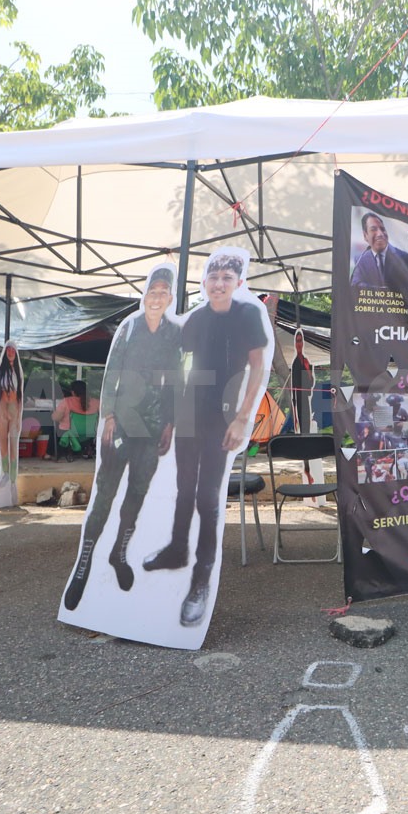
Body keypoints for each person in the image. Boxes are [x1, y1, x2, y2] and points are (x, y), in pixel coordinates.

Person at [142, 249, 270, 628]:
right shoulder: (196, 319)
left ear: (238, 282)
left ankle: (201, 579)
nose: (219, 284)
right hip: (188, 413)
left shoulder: (247, 315)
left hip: (222, 415)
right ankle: (177, 549)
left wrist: (242, 418)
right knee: (183, 489)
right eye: (213, 278)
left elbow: (258, 367)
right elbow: (181, 370)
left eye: (226, 278)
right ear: (205, 282)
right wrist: (169, 420)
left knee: (207, 496)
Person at [63, 265, 182, 612]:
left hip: (153, 427)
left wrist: (170, 423)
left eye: (163, 292)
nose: (157, 298)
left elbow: (175, 380)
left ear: (170, 297)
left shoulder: (174, 333)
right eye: (152, 292)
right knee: (106, 492)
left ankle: (119, 552)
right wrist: (110, 416)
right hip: (123, 424)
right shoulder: (129, 328)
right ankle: (84, 562)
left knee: (137, 492)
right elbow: (112, 372)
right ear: (145, 296)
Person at [0, 342, 24, 505]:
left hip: (14, 406)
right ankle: (5, 472)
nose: (10, 352)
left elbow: (20, 394)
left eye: (12, 350)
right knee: (3, 441)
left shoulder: (18, 372)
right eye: (8, 350)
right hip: (2, 405)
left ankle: (13, 477)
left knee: (13, 442)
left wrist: (19, 414)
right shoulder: (0, 372)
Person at [350, 212, 408, 289]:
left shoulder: (404, 257)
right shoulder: (360, 260)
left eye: (382, 229)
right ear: (365, 236)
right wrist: (381, 292)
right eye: (373, 229)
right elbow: (355, 285)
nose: (380, 234)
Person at [52, 380, 101, 457]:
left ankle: (49, 454)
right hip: (89, 436)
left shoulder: (66, 401)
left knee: (52, 430)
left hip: (69, 435)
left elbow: (56, 418)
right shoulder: (96, 402)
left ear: (73, 392)